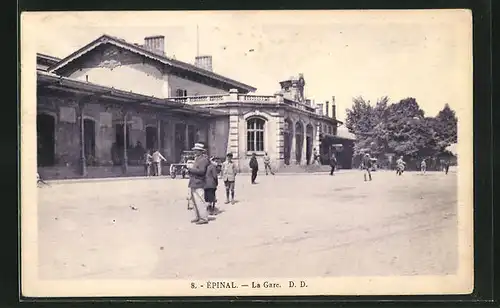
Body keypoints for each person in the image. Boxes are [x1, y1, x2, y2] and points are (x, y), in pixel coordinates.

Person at [187, 143, 210, 225]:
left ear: (201, 151)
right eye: (194, 150)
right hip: (194, 182)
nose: (194, 152)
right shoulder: (197, 159)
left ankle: (203, 218)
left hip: (199, 182)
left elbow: (201, 171)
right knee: (194, 201)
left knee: (200, 201)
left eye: (196, 150)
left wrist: (190, 169)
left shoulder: (203, 160)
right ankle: (197, 216)